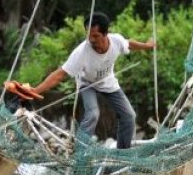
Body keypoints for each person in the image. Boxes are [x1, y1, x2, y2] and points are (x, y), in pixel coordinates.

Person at [31, 12, 155, 149]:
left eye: (95, 35)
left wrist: (147, 46)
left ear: (106, 33)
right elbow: (59, 74)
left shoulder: (116, 41)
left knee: (129, 116)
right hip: (87, 83)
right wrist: (36, 90)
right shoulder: (81, 52)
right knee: (93, 115)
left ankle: (122, 155)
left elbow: (129, 44)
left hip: (107, 82)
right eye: (88, 35)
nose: (91, 39)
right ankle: (80, 156)